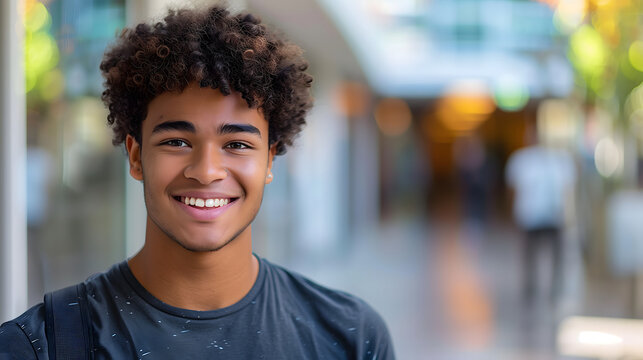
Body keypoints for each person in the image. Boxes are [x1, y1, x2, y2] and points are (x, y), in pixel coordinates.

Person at [0, 5, 394, 359]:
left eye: (236, 144)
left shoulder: (349, 337)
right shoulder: (38, 346)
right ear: (136, 156)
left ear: (270, 159)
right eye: (176, 141)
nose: (207, 171)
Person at [505, 123, 576, 303]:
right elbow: (513, 190)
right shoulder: (522, 160)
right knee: (530, 256)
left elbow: (567, 190)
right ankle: (531, 290)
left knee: (556, 256)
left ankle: (554, 290)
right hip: (530, 216)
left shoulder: (559, 159)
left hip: (553, 216)